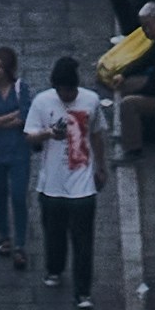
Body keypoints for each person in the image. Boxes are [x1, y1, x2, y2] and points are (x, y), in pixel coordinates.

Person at [26, 61, 107, 296]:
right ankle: (55, 268)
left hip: (82, 184)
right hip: (52, 183)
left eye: (71, 91)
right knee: (54, 233)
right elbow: (29, 136)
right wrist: (49, 133)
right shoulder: (42, 102)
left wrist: (100, 167)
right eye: (63, 91)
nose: (67, 96)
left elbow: (97, 135)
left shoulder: (90, 101)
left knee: (83, 241)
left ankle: (83, 290)